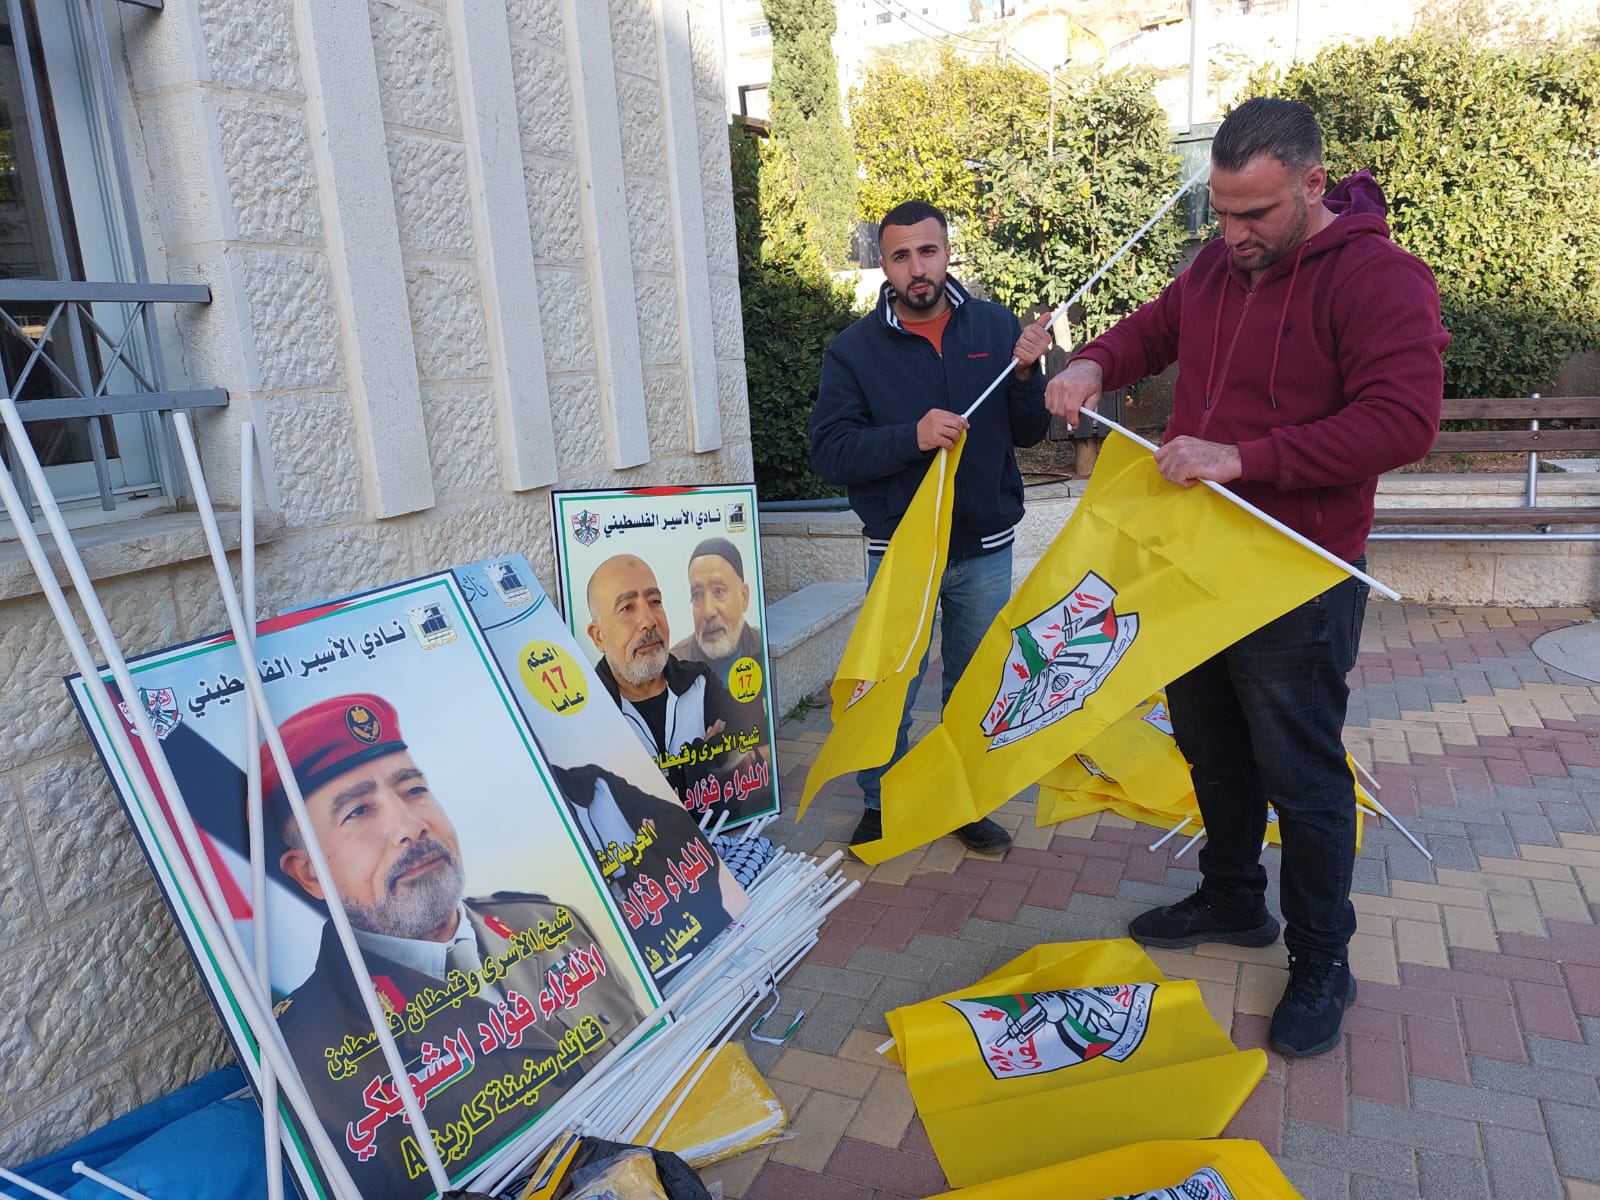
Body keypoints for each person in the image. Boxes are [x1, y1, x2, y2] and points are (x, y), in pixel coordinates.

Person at [1044, 98, 1448, 1058]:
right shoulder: (1218, 265)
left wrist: (1242, 458)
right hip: (1195, 561)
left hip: (1296, 572)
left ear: (1314, 184)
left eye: (1255, 214)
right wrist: (1094, 362)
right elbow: (1153, 330)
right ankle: (1232, 898)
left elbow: (1404, 423)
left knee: (1301, 774)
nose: (1233, 236)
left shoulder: (1380, 278)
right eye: (1221, 213)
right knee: (1210, 747)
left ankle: (1323, 960)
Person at [263, 693, 645, 1194]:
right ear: (309, 872)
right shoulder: (306, 1054)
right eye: (358, 811)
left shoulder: (550, 923)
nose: (410, 826)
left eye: (414, 789)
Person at [810, 199, 1052, 855]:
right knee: (888, 686)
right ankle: (880, 800)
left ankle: (961, 798)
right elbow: (830, 452)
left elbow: (1030, 431)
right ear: (883, 265)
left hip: (985, 549)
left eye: (928, 251)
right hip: (902, 552)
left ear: (946, 253)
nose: (917, 268)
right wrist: (910, 437)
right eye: (901, 256)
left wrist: (1027, 373)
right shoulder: (853, 351)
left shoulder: (996, 325)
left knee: (974, 688)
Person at [586, 553, 770, 819]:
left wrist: (735, 762)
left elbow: (754, 756)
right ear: (598, 636)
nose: (649, 620)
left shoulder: (701, 683)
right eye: (627, 608)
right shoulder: (590, 715)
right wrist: (700, 765)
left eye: (654, 601)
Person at [669, 536, 764, 686]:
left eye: (719, 591)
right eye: (697, 595)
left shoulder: (763, 647)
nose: (708, 611)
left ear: (744, 597)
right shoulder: (676, 666)